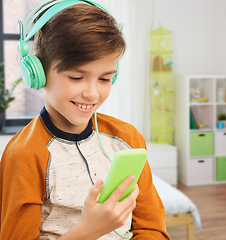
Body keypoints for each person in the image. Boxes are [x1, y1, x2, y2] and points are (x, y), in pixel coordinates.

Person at [0, 0, 170, 239]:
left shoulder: (128, 138)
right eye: (77, 77)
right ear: (36, 73)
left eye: (104, 78)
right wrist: (88, 231)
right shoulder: (25, 155)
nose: (92, 93)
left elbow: (153, 229)